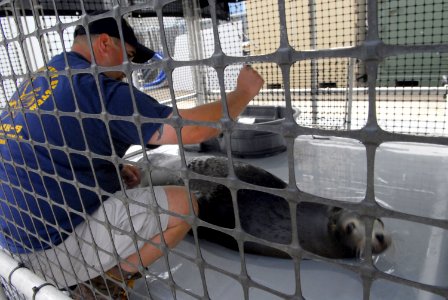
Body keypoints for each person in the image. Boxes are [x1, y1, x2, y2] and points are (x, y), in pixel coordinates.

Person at [0, 15, 263, 299]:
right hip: (47, 256)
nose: (128, 70)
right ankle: (106, 283)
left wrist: (110, 169)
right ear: (104, 43)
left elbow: (48, 143)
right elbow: (192, 130)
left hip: (8, 247)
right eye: (128, 56)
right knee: (184, 205)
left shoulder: (43, 78)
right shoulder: (99, 88)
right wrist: (243, 92)